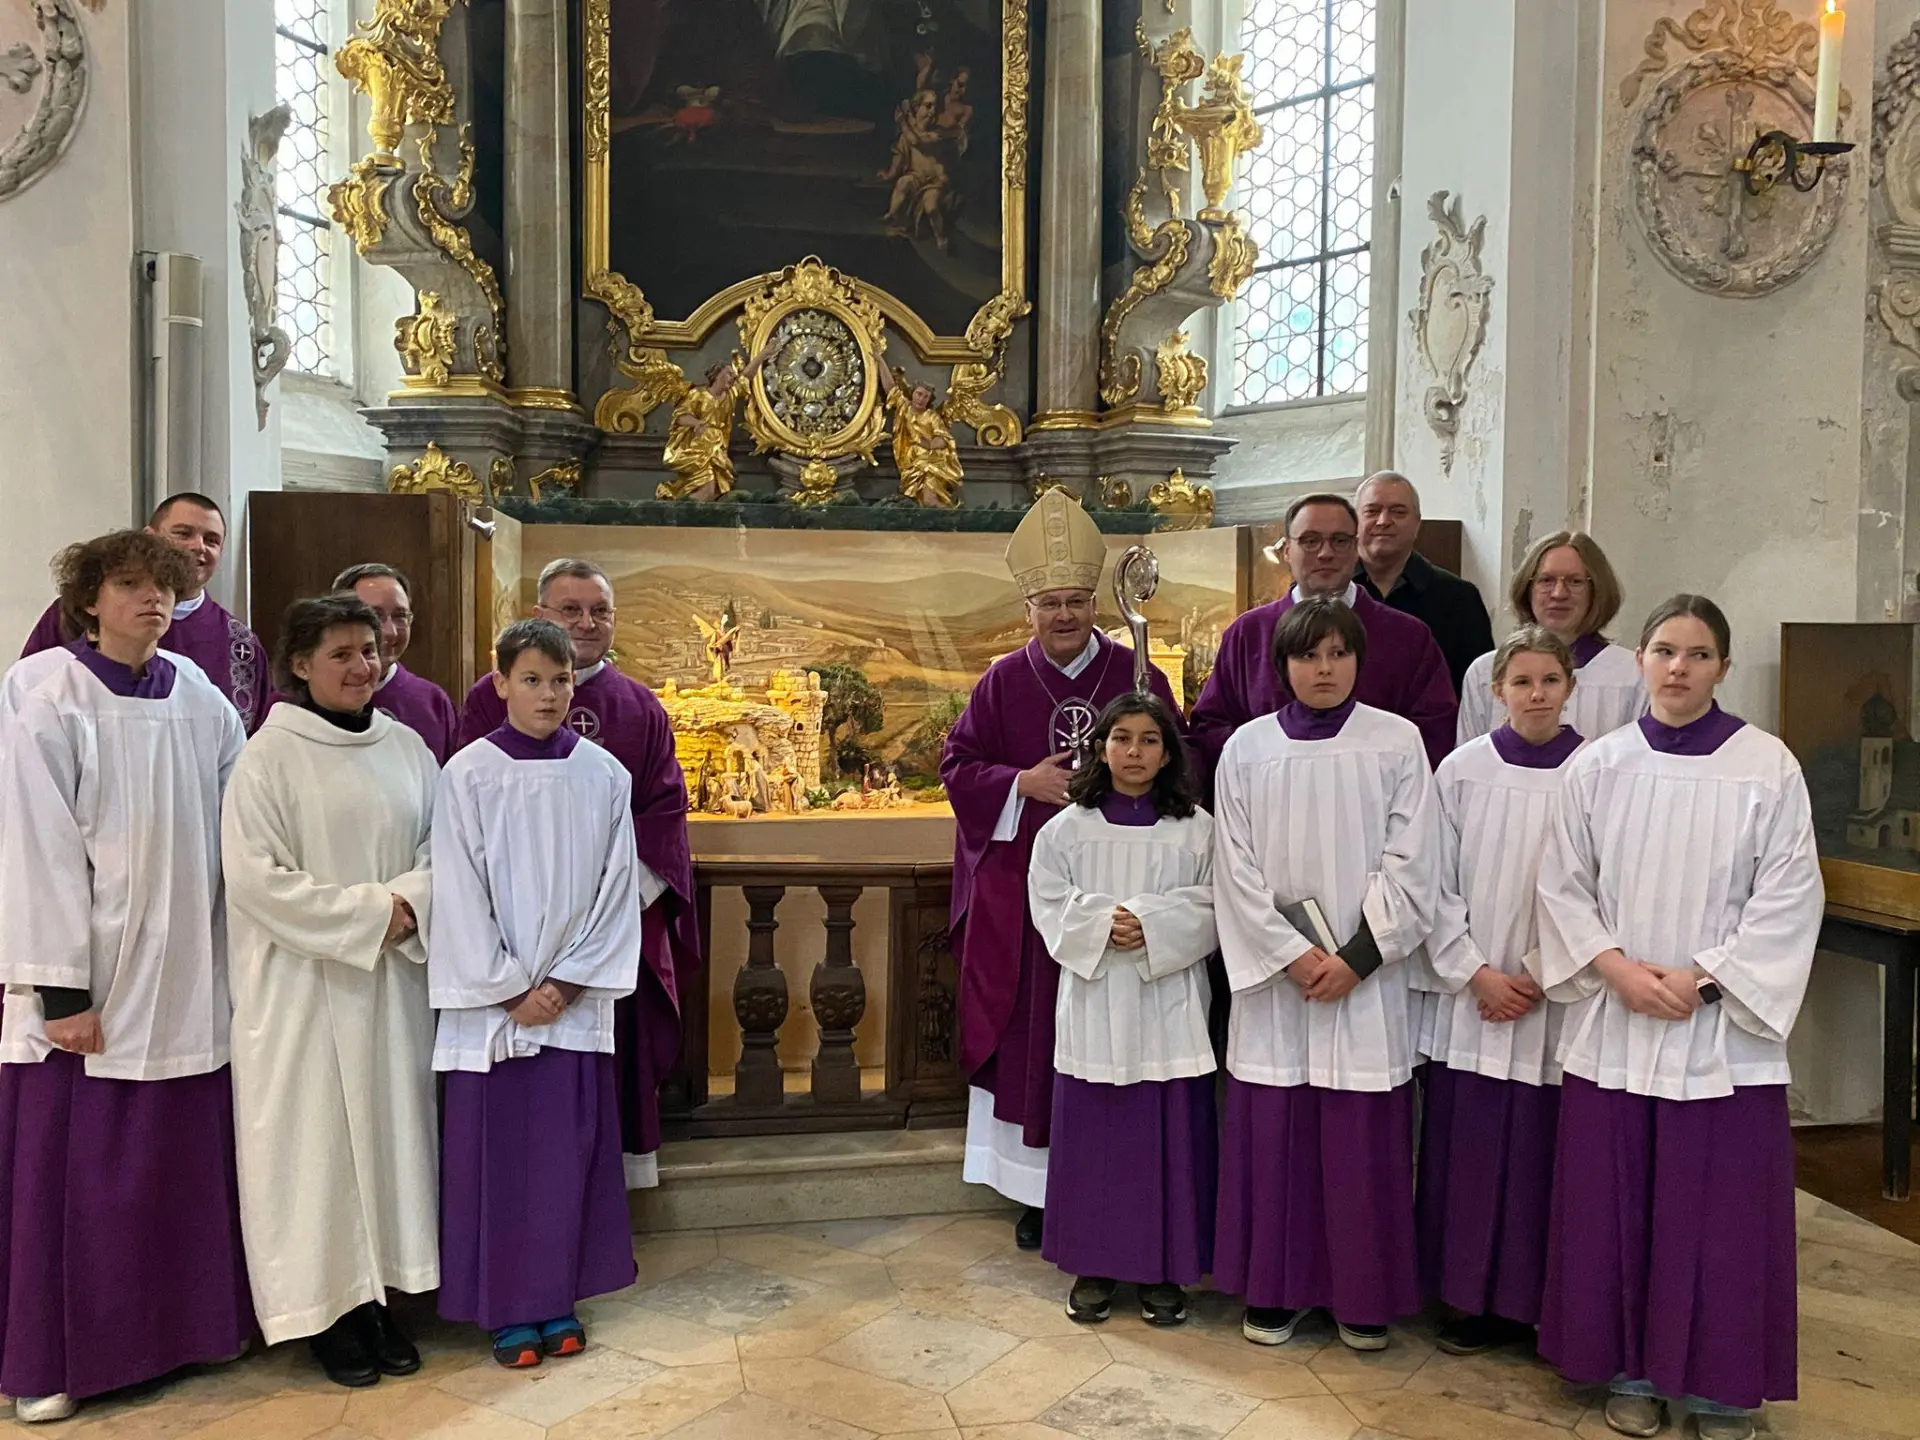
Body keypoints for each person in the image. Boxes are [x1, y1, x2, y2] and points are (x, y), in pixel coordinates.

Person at [1535, 595, 1821, 1440]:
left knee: (1722, 1215)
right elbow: (1563, 883)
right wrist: (1618, 971)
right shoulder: (1599, 765)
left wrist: (1705, 978)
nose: (1678, 668)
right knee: (1619, 1202)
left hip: (1720, 1031)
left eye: (1698, 654)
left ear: (1723, 667)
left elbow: (1790, 893)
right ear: (1642, 661)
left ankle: (1721, 1386)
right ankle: (1630, 1367)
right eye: (1664, 651)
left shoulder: (1767, 766)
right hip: (1618, 1018)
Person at [0, 532, 253, 1424]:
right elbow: (33, 843)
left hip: (185, 968)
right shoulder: (44, 691)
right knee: (73, 1173)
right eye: (131, 585)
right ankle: (53, 1357)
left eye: (165, 588)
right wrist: (60, 991)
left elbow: (238, 826)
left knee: (171, 1168)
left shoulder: (201, 697)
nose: (151, 601)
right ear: (91, 600)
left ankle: (178, 1334)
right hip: (92, 978)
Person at [941, 488, 1182, 1250]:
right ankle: (1038, 1186)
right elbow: (958, 763)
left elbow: (1177, 762)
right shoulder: (1002, 682)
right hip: (1029, 900)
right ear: (1029, 609)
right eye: (1052, 603)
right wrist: (1021, 782)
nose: (1066, 615)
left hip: (1128, 889)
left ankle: (1119, 1173)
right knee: (1036, 1031)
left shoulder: (1138, 671)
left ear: (1093, 604)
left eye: (1077, 600)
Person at [1210, 598, 1439, 1353]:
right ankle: (1276, 1291)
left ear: (1357, 661)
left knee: (1359, 1144)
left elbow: (1416, 861)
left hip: (1364, 980)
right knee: (1276, 1138)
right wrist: (1293, 954)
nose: (1325, 669)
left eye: (1339, 654)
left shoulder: (1397, 741)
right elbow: (1233, 872)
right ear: (1283, 666)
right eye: (1309, 656)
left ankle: (1360, 1297)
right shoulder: (1246, 749)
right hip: (1282, 982)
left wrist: (1356, 958)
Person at [222, 593, 439, 1388]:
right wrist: (373, 914)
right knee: (312, 1153)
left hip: (390, 986)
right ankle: (328, 1314)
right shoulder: (267, 757)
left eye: (370, 650)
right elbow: (256, 882)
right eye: (342, 653)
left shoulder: (409, 747)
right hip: (303, 990)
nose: (362, 666)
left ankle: (381, 1297)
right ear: (301, 666)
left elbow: (442, 844)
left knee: (388, 1143)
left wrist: (411, 905)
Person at [433, 620, 641, 1369]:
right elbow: (456, 892)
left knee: (566, 1154)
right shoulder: (467, 775)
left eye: (559, 680)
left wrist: (566, 982)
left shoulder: (604, 776)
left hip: (573, 1002)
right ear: (500, 684)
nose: (547, 694)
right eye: (530, 679)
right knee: (498, 1158)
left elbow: (618, 891)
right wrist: (511, 988)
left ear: (574, 684)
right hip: (496, 1009)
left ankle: (558, 1299)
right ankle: (506, 1309)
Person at [457, 558, 697, 1193]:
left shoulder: (640, 707)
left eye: (600, 610)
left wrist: (608, 913)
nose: (587, 622)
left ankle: (604, 1190)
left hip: (604, 939)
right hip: (505, 941)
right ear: (539, 615)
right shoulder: (487, 700)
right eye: (571, 609)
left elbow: (664, 816)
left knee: (605, 1074)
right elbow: (464, 827)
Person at [1411, 626, 1582, 1359]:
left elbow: (1601, 887)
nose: (1536, 694)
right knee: (1469, 1152)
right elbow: (1432, 882)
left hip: (1553, 999)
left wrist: (1543, 970)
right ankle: (1462, 1298)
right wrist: (1474, 971)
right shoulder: (1460, 772)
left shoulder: (1597, 772)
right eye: (1522, 682)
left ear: (1569, 687)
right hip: (1473, 996)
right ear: (1496, 690)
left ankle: (1529, 1303)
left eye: (1549, 681)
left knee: (1543, 1155)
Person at [1028, 692, 1216, 1327]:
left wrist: (1152, 922)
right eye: (1121, 738)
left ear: (1168, 754)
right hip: (1096, 999)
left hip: (1169, 1000)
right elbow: (1049, 900)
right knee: (1097, 1140)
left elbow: (1218, 902)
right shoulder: (1067, 828)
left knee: (1168, 1139)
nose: (1134, 752)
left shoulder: (1196, 828)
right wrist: (1107, 923)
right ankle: (1095, 1265)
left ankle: (1164, 1272)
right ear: (1101, 747)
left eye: (1149, 740)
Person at [1192, 493, 1455, 784]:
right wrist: (1261, 772)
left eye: (1340, 541)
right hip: (1271, 803)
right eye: (1310, 540)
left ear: (1356, 549)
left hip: (1371, 804)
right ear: (1287, 551)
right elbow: (1212, 724)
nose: (1326, 553)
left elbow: (1434, 729)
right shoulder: (1248, 633)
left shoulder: (1407, 636)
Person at [20, 493, 272, 733]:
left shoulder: (240, 644)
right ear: (150, 537)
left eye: (212, 540)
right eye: (183, 533)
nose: (198, 546)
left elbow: (252, 742)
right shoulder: (71, 615)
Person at [1456, 532, 1646, 744]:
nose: (1558, 593)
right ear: (1527, 589)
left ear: (1597, 590)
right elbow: (1469, 760)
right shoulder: (1485, 671)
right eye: (1546, 580)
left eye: (1575, 581)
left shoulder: (1632, 675)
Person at [1353, 472, 1495, 696]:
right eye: (1372, 511)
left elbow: (1478, 690)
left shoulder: (1459, 598)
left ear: (1417, 524)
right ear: (1354, 523)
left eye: (1398, 512)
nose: (1383, 521)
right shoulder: (1333, 594)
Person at [334, 563, 458, 763]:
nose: (390, 631)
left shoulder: (433, 702)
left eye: (400, 616)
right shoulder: (297, 701)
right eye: (374, 615)